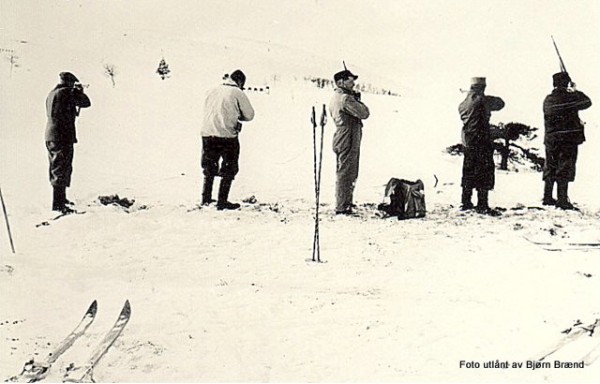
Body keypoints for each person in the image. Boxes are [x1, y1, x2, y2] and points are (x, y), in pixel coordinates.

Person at [200, 69, 255, 210]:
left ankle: (206, 198)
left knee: (209, 167)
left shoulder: (212, 90)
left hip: (207, 133)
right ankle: (222, 201)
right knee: (229, 168)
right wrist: (237, 117)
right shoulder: (237, 92)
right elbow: (249, 115)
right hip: (226, 136)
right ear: (240, 81)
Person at [542, 72, 592, 209]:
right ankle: (562, 200)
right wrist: (575, 90)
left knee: (550, 166)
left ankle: (547, 197)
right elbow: (587, 102)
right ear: (566, 83)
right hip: (567, 139)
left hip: (551, 139)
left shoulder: (548, 99)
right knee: (565, 167)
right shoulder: (570, 98)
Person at [45, 71, 91, 213]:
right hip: (61, 136)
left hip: (52, 135)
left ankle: (61, 200)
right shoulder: (66, 93)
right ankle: (58, 205)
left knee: (58, 167)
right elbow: (86, 102)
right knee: (61, 168)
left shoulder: (53, 92)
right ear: (70, 82)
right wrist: (79, 91)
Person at [458, 77, 504, 215]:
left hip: (468, 140)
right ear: (482, 88)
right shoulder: (482, 101)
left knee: (468, 171)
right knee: (484, 171)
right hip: (481, 140)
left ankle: (466, 202)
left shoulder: (463, 103)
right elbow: (501, 103)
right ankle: (482, 204)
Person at [329, 69, 370, 215]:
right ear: (341, 82)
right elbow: (364, 113)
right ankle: (342, 206)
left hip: (342, 135)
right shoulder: (345, 98)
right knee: (346, 172)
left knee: (346, 170)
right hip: (348, 136)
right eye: (350, 80)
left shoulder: (337, 96)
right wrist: (357, 100)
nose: (353, 83)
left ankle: (345, 202)